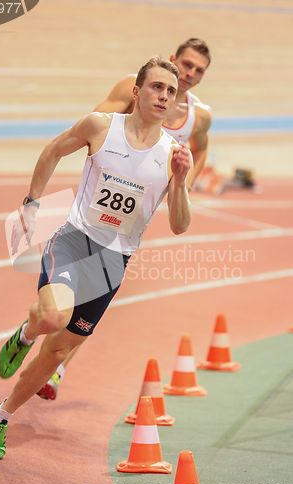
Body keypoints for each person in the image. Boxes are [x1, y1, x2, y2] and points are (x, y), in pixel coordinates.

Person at [0, 56, 192, 459]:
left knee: (57, 353)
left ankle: (2, 416)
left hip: (113, 263)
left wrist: (180, 181)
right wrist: (31, 203)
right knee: (51, 317)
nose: (164, 96)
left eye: (170, 90)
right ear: (137, 91)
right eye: (156, 87)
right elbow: (53, 150)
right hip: (75, 241)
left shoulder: (174, 155)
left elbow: (181, 224)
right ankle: (24, 335)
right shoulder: (101, 126)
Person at [37, 37, 211, 401]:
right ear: (172, 59)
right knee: (63, 300)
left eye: (199, 70)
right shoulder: (133, 88)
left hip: (136, 211)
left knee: (93, 299)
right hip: (107, 185)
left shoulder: (199, 116)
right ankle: (40, 342)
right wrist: (109, 151)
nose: (192, 74)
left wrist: (184, 185)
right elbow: (99, 122)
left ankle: (58, 366)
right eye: (188, 65)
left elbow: (201, 147)